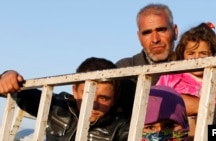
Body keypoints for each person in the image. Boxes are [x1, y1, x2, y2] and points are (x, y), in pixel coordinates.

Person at [0, 57, 129, 141]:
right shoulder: (57, 106)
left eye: (103, 98)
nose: (93, 105)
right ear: (75, 91)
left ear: (114, 99)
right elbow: (18, 91)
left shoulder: (121, 128)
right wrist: (7, 75)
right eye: (87, 95)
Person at [156, 22, 216, 139]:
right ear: (182, 55)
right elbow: (155, 98)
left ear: (213, 55)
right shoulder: (172, 76)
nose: (197, 58)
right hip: (170, 130)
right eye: (191, 53)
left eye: (203, 53)